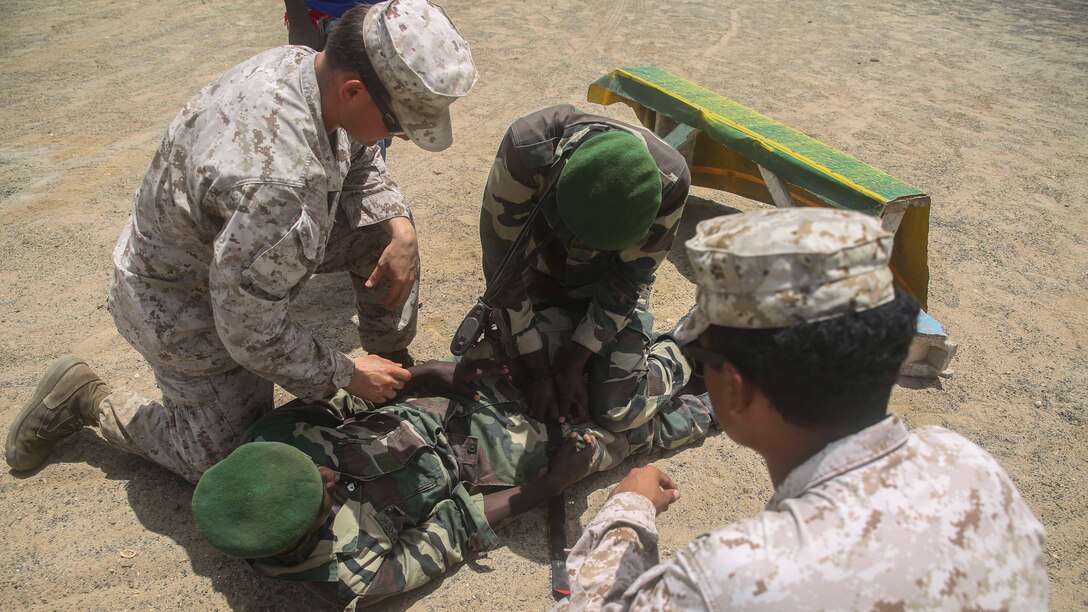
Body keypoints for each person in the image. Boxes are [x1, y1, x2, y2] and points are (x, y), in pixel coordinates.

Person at [5, 0, 478, 483]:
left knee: (383, 232)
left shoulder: (308, 68)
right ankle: (87, 397)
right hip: (179, 302)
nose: (398, 138)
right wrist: (347, 373)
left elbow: (358, 156)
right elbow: (250, 331)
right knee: (227, 460)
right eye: (397, 124)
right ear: (354, 90)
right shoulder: (280, 183)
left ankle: (393, 373)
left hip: (241, 256)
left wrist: (400, 225)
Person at [558, 208, 1049, 609]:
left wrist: (629, 513)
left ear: (735, 387)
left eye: (702, 357)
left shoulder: (733, 577)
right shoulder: (971, 467)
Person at [191, 330, 715, 607]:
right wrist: (549, 484)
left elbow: (349, 404)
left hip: (448, 401)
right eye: (323, 494)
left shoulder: (268, 443)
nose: (328, 474)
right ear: (299, 535)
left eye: (314, 468)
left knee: (570, 374)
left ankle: (684, 350)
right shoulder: (350, 574)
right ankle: (726, 399)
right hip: (493, 461)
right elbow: (456, 529)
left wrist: (430, 374)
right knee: (618, 434)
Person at [479, 105, 691, 430]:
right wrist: (534, 367)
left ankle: (690, 345)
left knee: (615, 409)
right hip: (538, 271)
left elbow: (628, 279)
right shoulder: (526, 149)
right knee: (497, 373)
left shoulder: (670, 183)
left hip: (606, 286)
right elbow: (502, 262)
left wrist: (575, 363)